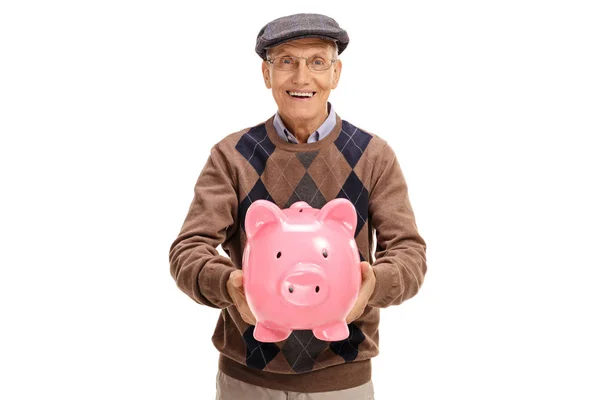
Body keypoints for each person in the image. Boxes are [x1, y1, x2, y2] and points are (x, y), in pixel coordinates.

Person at [169, 13, 427, 400]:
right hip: (249, 378)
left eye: (317, 62)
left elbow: (409, 253)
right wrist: (228, 284)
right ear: (266, 73)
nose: (302, 77)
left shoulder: (374, 156)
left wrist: (373, 284)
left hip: (342, 379)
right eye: (286, 61)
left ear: (336, 74)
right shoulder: (232, 156)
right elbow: (188, 250)